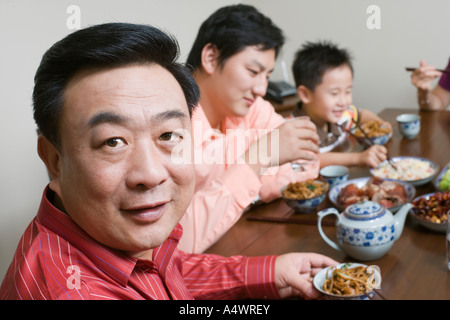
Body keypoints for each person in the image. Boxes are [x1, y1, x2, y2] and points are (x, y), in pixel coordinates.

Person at [0, 23, 337, 300]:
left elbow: (164, 269)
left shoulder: (121, 242)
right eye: (113, 141)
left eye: (167, 136)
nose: (150, 173)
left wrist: (269, 272)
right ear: (54, 162)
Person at [179, 5, 320, 253]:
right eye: (253, 72)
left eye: (267, 75)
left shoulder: (251, 108)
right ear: (211, 58)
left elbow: (304, 159)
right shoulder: (168, 127)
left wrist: (251, 176)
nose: (261, 89)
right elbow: (173, 242)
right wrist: (257, 159)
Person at [291, 41, 391, 169]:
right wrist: (358, 158)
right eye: (334, 93)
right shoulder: (293, 129)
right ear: (305, 94)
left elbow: (362, 115)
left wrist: (381, 126)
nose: (343, 102)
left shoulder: (343, 115)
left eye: (348, 91)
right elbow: (310, 161)